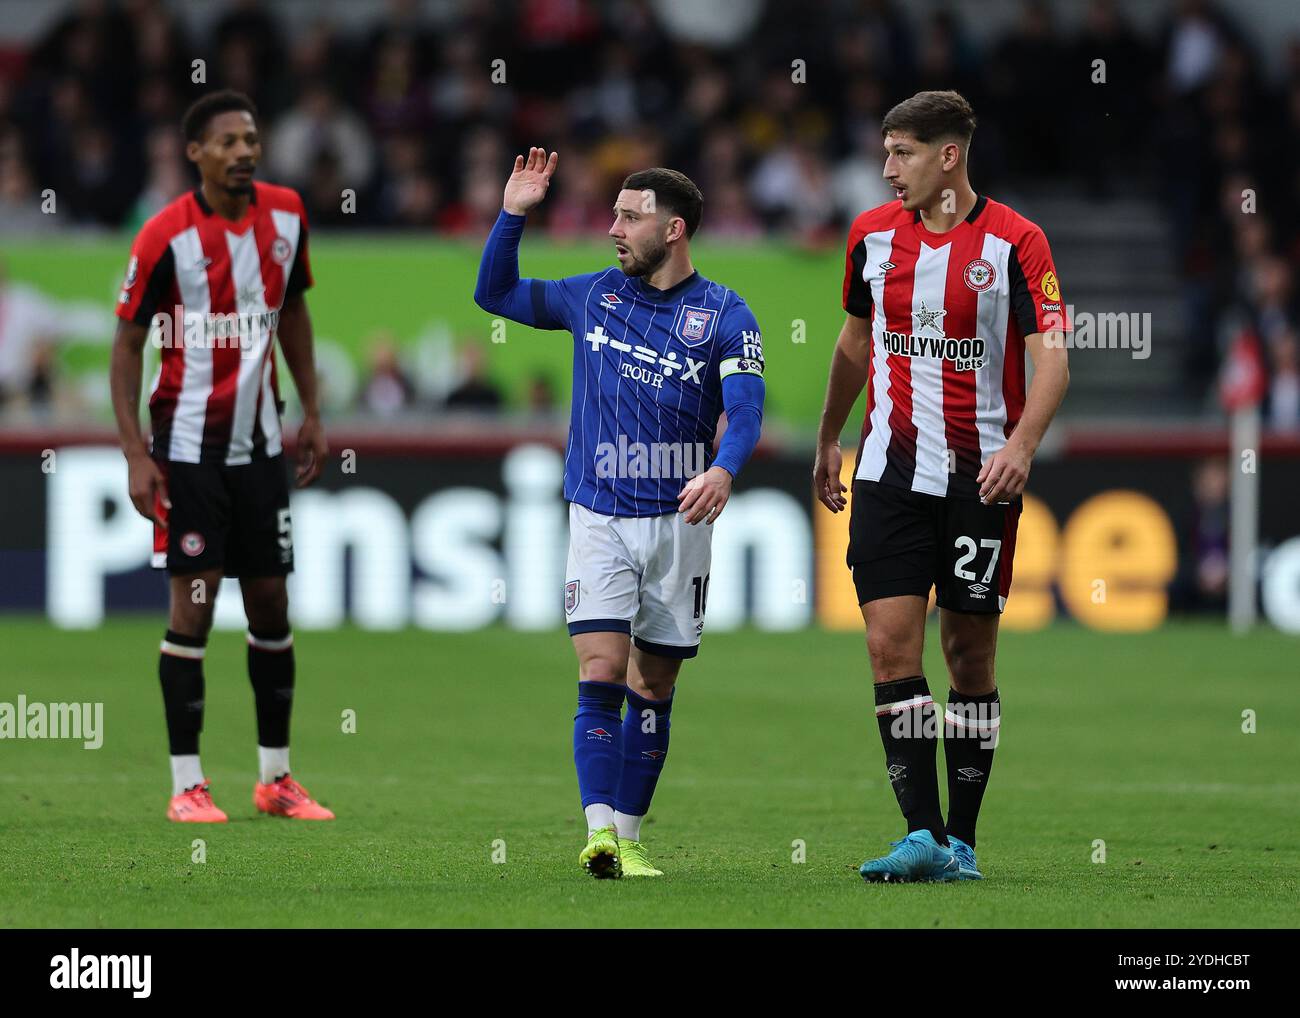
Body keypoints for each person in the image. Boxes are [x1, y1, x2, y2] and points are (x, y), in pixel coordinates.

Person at [475, 151, 765, 878]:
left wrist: (725, 468)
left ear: (673, 229)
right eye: (613, 215)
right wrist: (513, 213)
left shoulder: (726, 315)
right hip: (598, 514)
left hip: (679, 524)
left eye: (628, 217)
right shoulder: (593, 294)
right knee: (600, 670)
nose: (613, 229)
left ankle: (630, 837)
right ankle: (599, 832)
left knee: (655, 686)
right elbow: (495, 292)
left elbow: (746, 410)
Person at [813, 91, 1070, 882]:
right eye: (886, 153)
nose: (888, 170)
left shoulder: (1018, 242)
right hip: (888, 471)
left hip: (979, 479)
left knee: (967, 654)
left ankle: (961, 839)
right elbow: (856, 341)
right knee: (889, 643)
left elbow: (1052, 355)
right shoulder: (870, 237)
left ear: (948, 155)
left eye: (902, 154)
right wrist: (829, 434)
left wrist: (1024, 445)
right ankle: (920, 833)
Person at [109, 90, 334, 824]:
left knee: (271, 601)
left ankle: (276, 779)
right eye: (228, 141)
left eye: (251, 137)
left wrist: (312, 409)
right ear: (196, 154)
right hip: (185, 448)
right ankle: (186, 784)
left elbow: (294, 311)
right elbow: (126, 348)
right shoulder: (164, 236)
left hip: (261, 444)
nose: (243, 150)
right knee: (195, 603)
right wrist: (135, 453)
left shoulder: (289, 215)